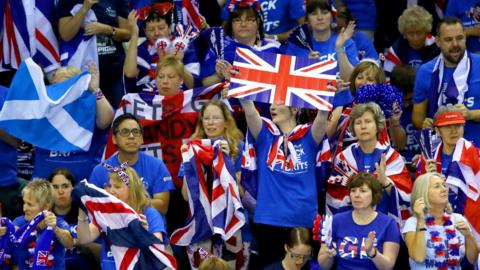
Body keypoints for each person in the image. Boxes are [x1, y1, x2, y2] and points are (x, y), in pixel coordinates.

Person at [238, 88, 329, 266]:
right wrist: (240, 85)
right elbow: (249, 109)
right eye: (271, 103)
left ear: (294, 109)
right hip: (269, 220)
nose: (272, 107)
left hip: (303, 221)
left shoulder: (309, 136)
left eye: (278, 103)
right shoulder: (265, 135)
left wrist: (327, 92)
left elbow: (323, 116)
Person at [177, 100, 248, 269]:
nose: (210, 122)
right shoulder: (192, 147)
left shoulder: (239, 147)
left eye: (215, 118)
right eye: (206, 118)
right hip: (201, 223)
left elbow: (242, 193)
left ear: (226, 122)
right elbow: (186, 196)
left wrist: (227, 163)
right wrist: (191, 165)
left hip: (231, 224)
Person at [326, 102, 412, 226]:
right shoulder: (344, 158)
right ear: (352, 128)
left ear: (378, 125)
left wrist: (385, 182)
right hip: (351, 227)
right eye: (358, 123)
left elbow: (406, 197)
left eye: (368, 121)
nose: (363, 126)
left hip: (385, 225)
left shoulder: (392, 157)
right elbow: (335, 198)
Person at [32, 64, 114, 182]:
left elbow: (106, 120)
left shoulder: (89, 108)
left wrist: (96, 90)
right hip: (46, 189)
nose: (58, 91)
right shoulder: (44, 110)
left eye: (64, 86)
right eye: (55, 86)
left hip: (84, 186)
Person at [79, 165, 168, 269]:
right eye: (110, 186)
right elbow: (84, 239)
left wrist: (144, 234)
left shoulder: (149, 213)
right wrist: (82, 214)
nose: (111, 191)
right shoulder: (107, 214)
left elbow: (159, 253)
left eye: (117, 187)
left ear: (132, 189)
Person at [412, 16, 480, 147]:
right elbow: (417, 117)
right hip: (442, 152)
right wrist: (426, 124)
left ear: (465, 37)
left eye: (459, 38)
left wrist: (471, 114)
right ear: (438, 41)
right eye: (448, 40)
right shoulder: (426, 71)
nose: (455, 44)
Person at [89, 113, 175, 215]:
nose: (131, 136)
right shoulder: (100, 171)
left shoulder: (157, 166)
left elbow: (162, 207)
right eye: (125, 132)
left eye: (136, 132)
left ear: (142, 139)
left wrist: (128, 199)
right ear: (114, 139)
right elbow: (93, 206)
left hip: (149, 227)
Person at [318, 173, 400, 270]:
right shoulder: (335, 221)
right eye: (353, 191)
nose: (357, 195)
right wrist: (328, 255)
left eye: (363, 191)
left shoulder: (388, 223)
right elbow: (323, 266)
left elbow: (388, 267)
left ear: (374, 194)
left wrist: (372, 253)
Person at [58, 0, 131, 107]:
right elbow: (66, 34)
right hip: (83, 72)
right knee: (88, 113)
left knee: (120, 112)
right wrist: (85, 7)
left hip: (114, 70)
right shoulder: (69, 2)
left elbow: (127, 34)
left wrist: (108, 30)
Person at [403, 172, 478, 269]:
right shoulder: (413, 222)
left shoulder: (458, 219)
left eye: (444, 185)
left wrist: (469, 236)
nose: (444, 189)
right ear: (423, 193)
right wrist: (421, 221)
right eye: (437, 186)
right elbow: (418, 257)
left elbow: (473, 259)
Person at [201, 0, 281, 86]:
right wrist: (218, 76)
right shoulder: (218, 50)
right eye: (237, 20)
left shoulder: (273, 48)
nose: (243, 24)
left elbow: (285, 87)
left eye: (249, 19)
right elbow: (202, 85)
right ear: (230, 24)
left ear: (258, 22)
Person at [0, 180, 74, 269]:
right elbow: (13, 233)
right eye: (24, 203)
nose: (24, 208)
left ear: (46, 206)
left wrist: (55, 229)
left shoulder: (58, 223)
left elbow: (70, 244)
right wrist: (3, 233)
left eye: (30, 205)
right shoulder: (20, 222)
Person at [123, 3, 195, 93]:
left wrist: (177, 63)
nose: (156, 33)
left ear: (169, 28)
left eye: (161, 28)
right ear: (145, 32)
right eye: (151, 30)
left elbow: (193, 85)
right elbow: (129, 73)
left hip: (179, 99)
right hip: (149, 101)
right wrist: (134, 34)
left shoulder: (182, 47)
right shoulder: (142, 50)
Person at [282, 0, 358, 81]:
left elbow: (351, 80)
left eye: (325, 13)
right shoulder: (296, 45)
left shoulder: (346, 42)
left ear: (332, 17)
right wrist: (306, 66)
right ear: (307, 19)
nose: (320, 18)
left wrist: (340, 48)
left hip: (340, 94)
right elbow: (288, 81)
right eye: (314, 14)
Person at [47, 169, 100, 270]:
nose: (61, 191)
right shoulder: (43, 218)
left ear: (73, 189)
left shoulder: (86, 215)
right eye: (55, 187)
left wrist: (79, 243)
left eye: (65, 186)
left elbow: (101, 251)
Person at [383, 6, 440, 76]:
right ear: (404, 34)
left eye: (419, 32)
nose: (415, 38)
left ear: (426, 31)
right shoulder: (395, 51)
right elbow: (388, 78)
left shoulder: (437, 47)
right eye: (411, 33)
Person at [220, 0, 306, 43]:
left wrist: (275, 38)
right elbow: (225, 29)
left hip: (282, 47)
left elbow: (305, 27)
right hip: (242, 45)